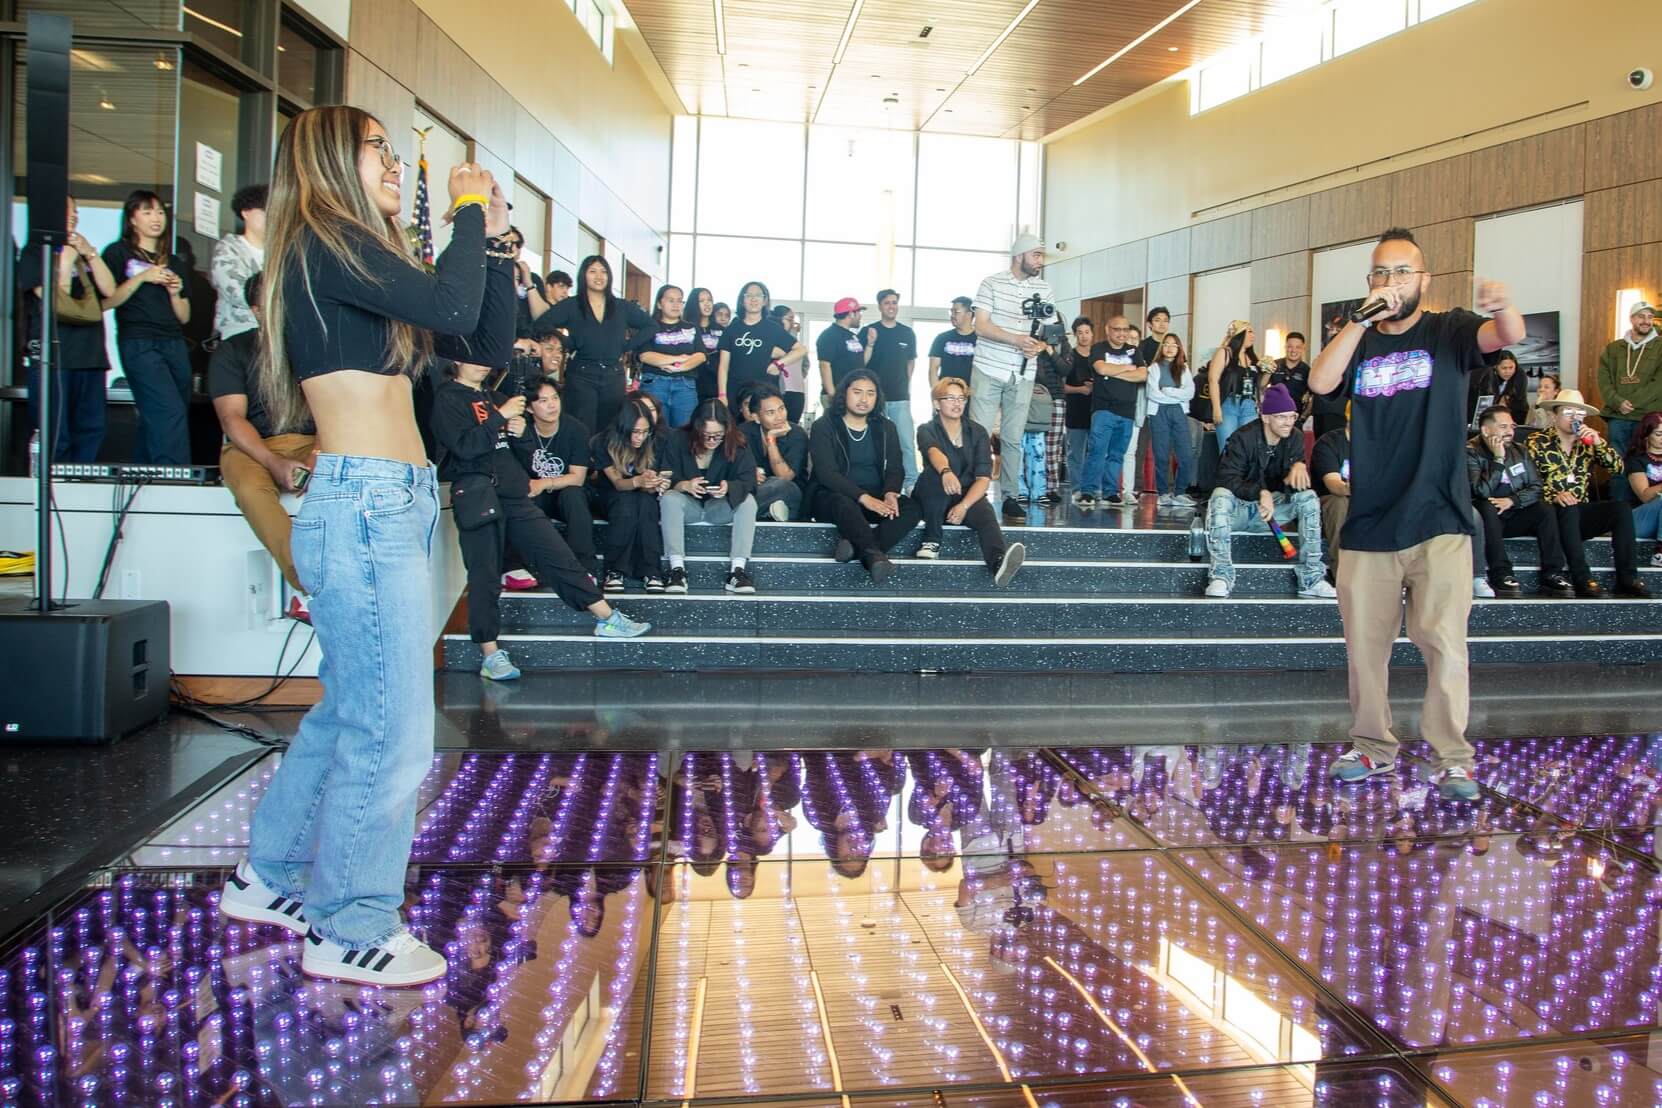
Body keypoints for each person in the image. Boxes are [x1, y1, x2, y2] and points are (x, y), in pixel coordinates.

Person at [225, 106, 516, 987]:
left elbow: (479, 336)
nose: (395, 165)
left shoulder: (349, 255)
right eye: (379, 150)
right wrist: (466, 214)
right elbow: (449, 299)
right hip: (364, 506)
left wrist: (494, 245)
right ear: (329, 160)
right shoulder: (320, 236)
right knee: (391, 734)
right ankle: (349, 924)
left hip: (383, 504)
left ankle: (267, 875)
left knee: (354, 710)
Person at [1311, 226, 1525, 803]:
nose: (1391, 281)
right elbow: (1320, 382)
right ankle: (1372, 746)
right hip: (1370, 524)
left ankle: (1453, 759)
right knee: (1365, 648)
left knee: (1444, 644)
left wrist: (1503, 306)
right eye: (1381, 272)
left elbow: (1507, 336)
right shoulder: (1359, 339)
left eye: (1402, 271)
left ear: (1423, 280)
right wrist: (1357, 321)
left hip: (1440, 520)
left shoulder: (1447, 330)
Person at [435, 359, 649, 676]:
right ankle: (490, 654)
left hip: (513, 490)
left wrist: (519, 432)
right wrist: (500, 418)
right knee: (485, 574)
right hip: (476, 492)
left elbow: (520, 453)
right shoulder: (448, 398)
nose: (483, 366)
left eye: (485, 360)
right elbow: (465, 448)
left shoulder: (493, 398)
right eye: (474, 360)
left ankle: (606, 617)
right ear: (456, 362)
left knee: (556, 553)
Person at [208, 271, 317, 620]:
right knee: (249, 486)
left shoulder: (315, 346)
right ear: (256, 311)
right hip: (253, 446)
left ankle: (347, 583)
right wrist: (273, 463)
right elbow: (231, 419)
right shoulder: (233, 350)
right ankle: (310, 586)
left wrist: (316, 457)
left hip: (314, 440)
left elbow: (336, 409)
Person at [1202, 384, 1331, 599]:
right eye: (1281, 417)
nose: (1288, 422)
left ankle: (1311, 578)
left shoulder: (1295, 437)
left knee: (1308, 498)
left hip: (1273, 513)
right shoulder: (1242, 438)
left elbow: (1293, 487)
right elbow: (1227, 478)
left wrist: (1298, 468)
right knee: (1220, 497)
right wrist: (1261, 492)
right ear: (1265, 417)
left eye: (1292, 416)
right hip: (1241, 511)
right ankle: (1221, 576)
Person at [16, 196, 115, 463]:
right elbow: (50, 301)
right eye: (67, 210)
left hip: (91, 357)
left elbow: (109, 290)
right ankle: (56, 493)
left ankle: (82, 488)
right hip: (56, 358)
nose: (74, 215)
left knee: (91, 430)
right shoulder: (35, 252)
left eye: (77, 211)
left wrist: (89, 253)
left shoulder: (81, 253)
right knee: (57, 434)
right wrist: (67, 262)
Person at [1526, 387, 1650, 598]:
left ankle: (1627, 578)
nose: (1575, 418)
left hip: (1579, 512)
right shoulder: (1536, 441)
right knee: (1568, 506)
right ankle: (1582, 577)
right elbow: (1527, 481)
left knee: (1620, 509)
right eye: (1568, 412)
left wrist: (1599, 443)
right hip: (1549, 512)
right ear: (1554, 415)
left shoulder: (1588, 444)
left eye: (1580, 414)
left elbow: (1618, 468)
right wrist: (1554, 494)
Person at [102, 190, 193, 464]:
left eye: (160, 212)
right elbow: (106, 301)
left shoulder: (173, 261)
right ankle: (173, 479)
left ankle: (144, 474)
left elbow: (185, 316)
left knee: (161, 412)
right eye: (147, 212)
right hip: (139, 341)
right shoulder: (118, 253)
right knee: (168, 410)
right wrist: (142, 277)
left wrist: (175, 292)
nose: (156, 218)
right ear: (132, 219)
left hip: (174, 343)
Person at [971, 233, 1055, 524]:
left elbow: (1049, 332)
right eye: (1036, 255)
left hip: (1023, 373)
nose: (1040, 262)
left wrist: (1039, 345)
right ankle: (974, 493)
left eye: (1041, 256)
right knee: (979, 435)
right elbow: (980, 326)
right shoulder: (991, 283)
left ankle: (1010, 496)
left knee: (1013, 438)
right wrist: (1017, 339)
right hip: (988, 368)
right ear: (1019, 256)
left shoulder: (1044, 289)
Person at [808, 370, 921, 584]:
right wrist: (864, 498)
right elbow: (827, 474)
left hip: (875, 496)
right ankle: (873, 556)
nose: (864, 399)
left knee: (911, 508)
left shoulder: (886, 427)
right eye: (857, 392)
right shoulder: (824, 425)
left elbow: (896, 467)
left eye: (870, 393)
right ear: (844, 394)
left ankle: (856, 548)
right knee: (842, 502)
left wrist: (889, 493)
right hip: (833, 497)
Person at [914, 377, 1025, 585]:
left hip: (966, 494)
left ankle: (999, 563)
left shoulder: (978, 432)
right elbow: (933, 451)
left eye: (961, 399)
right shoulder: (926, 429)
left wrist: (964, 505)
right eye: (950, 398)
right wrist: (946, 471)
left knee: (985, 513)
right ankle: (931, 541)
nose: (957, 403)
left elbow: (983, 477)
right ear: (937, 403)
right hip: (933, 497)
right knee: (934, 478)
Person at [531, 254, 651, 434]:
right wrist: (566, 342)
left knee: (610, 429)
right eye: (592, 271)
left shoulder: (621, 306)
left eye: (604, 271)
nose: (599, 276)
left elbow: (651, 326)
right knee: (580, 428)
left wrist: (626, 346)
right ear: (583, 276)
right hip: (581, 375)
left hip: (613, 375)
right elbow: (542, 324)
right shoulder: (572, 305)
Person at [1467, 405, 1575, 599]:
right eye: (1503, 427)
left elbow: (1537, 487)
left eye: (1512, 426)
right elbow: (1480, 491)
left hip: (1514, 511)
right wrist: (1498, 459)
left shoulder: (1520, 450)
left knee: (1544, 509)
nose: (1510, 431)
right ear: (1486, 430)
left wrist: (1512, 500)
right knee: (1486, 505)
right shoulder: (1471, 451)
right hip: (1487, 520)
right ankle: (1501, 573)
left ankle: (1553, 572)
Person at [659, 399, 760, 594]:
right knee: (669, 498)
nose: (712, 441)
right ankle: (676, 569)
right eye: (706, 436)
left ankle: (738, 570)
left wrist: (728, 487)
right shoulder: (678, 439)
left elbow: (749, 482)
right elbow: (665, 474)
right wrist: (685, 485)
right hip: (687, 504)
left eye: (718, 436)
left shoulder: (737, 442)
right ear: (696, 430)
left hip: (719, 506)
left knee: (747, 501)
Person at [512, 376, 596, 574]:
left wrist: (544, 483)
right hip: (536, 494)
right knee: (523, 500)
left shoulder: (576, 429)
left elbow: (577, 477)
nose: (552, 405)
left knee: (573, 494)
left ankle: (583, 568)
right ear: (530, 408)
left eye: (555, 398)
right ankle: (529, 567)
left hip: (567, 495)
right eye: (543, 401)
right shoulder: (521, 429)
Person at [592, 400, 669, 593]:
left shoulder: (654, 441)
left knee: (646, 504)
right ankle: (615, 570)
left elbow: (649, 482)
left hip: (641, 494)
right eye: (635, 432)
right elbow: (617, 483)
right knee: (625, 504)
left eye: (644, 432)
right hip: (610, 494)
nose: (640, 437)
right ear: (623, 428)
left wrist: (654, 483)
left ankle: (651, 570)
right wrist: (638, 482)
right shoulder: (603, 442)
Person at [1074, 315, 1145, 509]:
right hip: (1104, 409)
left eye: (1125, 329)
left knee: (1117, 454)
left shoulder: (1134, 350)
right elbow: (1101, 368)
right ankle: (1088, 491)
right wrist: (1127, 368)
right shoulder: (1099, 348)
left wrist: (1116, 373)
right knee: (1097, 450)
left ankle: (1111, 492)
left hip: (1127, 411)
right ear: (1108, 329)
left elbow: (1142, 374)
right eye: (1117, 329)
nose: (1121, 333)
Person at [717, 280, 805, 418]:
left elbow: (800, 350)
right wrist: (722, 395)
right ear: (742, 300)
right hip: (735, 392)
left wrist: (779, 364)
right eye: (749, 295)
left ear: (765, 301)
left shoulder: (773, 328)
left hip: (764, 392)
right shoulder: (731, 329)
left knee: (764, 432)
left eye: (758, 295)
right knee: (737, 435)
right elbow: (723, 366)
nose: (753, 299)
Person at [863, 288, 920, 491]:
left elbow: (910, 363)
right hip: (874, 399)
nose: (891, 306)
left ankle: (911, 482)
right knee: (875, 443)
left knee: (905, 442)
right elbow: (861, 363)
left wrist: (904, 383)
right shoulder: (869, 331)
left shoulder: (907, 333)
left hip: (900, 397)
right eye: (887, 303)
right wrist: (870, 344)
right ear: (880, 306)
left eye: (894, 302)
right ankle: (877, 482)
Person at [1596, 300, 1662, 462]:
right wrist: (1618, 402)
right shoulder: (1613, 348)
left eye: (1650, 317)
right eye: (1641, 316)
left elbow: (1659, 382)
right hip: (1618, 417)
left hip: (1649, 417)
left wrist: (1630, 403)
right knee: (1617, 463)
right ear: (1632, 319)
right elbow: (1604, 380)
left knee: (1645, 464)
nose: (1646, 321)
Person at [632, 283, 705, 429]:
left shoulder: (691, 328)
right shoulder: (649, 327)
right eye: (671, 300)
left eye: (679, 300)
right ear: (659, 303)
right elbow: (645, 356)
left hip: (685, 385)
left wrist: (680, 368)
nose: (676, 304)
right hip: (655, 384)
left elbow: (701, 355)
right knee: (656, 430)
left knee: (686, 432)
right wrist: (679, 358)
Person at [1144, 332, 1196, 508]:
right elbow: (1152, 394)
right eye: (1166, 344)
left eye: (1173, 345)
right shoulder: (1154, 368)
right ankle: (1163, 493)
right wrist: (1177, 395)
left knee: (1186, 455)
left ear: (1179, 348)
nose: (1169, 348)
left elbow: (1190, 393)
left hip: (1179, 413)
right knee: (1161, 455)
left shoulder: (1184, 368)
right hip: (1158, 413)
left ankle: (1180, 492)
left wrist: (1169, 391)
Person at [742, 384, 808, 521]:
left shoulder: (796, 434)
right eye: (771, 413)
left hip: (790, 492)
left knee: (781, 485)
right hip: (757, 491)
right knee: (741, 489)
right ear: (756, 417)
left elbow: (784, 476)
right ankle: (771, 511)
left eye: (782, 409)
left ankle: (765, 510)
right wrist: (749, 473)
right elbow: (732, 468)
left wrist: (771, 440)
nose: (779, 417)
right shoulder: (744, 432)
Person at [210, 183, 266, 341]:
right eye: (264, 210)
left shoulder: (281, 253)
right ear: (246, 212)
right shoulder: (228, 248)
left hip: (271, 339)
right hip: (237, 335)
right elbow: (236, 291)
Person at [1207, 320, 1260, 453]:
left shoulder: (1252, 358)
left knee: (1249, 448)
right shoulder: (1225, 353)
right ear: (1240, 334)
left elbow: (1260, 385)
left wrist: (1267, 372)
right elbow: (1213, 379)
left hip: (1249, 404)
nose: (1253, 335)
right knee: (1228, 448)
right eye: (1249, 331)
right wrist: (1217, 408)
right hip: (1229, 403)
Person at [1311, 422, 1350, 582]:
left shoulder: (1382, 441)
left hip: (1371, 501)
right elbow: (1334, 485)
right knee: (1338, 502)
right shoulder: (1330, 442)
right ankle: (1342, 573)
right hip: (1332, 503)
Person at [1059, 317, 1095, 485]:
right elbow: (1061, 386)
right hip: (1075, 411)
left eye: (1087, 332)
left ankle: (1093, 489)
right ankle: (1077, 489)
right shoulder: (1070, 357)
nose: (1084, 336)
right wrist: (1081, 389)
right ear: (1075, 335)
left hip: (1096, 411)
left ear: (1092, 334)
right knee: (1075, 453)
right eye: (1080, 333)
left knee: (1095, 453)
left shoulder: (1098, 356)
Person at [502, 227, 551, 340]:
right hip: (502, 341)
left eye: (518, 244)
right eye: (509, 243)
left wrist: (528, 282)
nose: (513, 248)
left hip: (530, 342)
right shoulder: (489, 275)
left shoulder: (532, 278)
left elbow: (542, 316)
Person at [817, 296, 867, 403]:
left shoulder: (853, 336)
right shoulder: (829, 335)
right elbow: (824, 365)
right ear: (851, 314)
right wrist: (833, 394)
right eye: (858, 313)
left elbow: (861, 361)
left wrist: (870, 345)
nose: (860, 316)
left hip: (852, 395)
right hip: (838, 395)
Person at [1626, 411, 1662, 556]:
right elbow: (1644, 496)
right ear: (1647, 435)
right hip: (1641, 519)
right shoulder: (1636, 460)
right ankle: (1660, 552)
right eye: (1658, 434)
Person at [770, 303, 809, 424]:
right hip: (781, 390)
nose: (793, 323)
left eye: (794, 320)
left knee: (793, 428)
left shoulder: (795, 342)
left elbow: (805, 364)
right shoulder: (772, 338)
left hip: (798, 390)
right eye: (789, 319)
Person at [1471, 348, 1529, 428]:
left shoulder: (1520, 375)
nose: (1508, 372)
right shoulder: (1487, 376)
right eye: (1504, 368)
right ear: (1496, 367)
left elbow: (1521, 403)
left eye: (1511, 367)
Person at [928, 296, 977, 387]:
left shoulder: (980, 340)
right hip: (946, 395)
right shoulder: (942, 338)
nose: (952, 315)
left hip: (973, 395)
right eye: (951, 311)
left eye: (956, 312)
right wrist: (936, 395)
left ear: (969, 314)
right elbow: (933, 369)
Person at [688, 286, 719, 402]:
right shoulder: (687, 329)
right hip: (693, 385)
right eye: (701, 301)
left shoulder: (722, 329)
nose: (707, 304)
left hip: (716, 385)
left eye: (709, 300)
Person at [1269, 332, 1311, 417]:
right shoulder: (1274, 364)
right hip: (1274, 414)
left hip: (1295, 416)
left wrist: (1303, 417)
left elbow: (1313, 397)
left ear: (1303, 348)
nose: (1293, 350)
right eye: (1290, 347)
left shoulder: (1307, 370)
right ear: (1285, 347)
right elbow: (1261, 387)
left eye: (1298, 347)